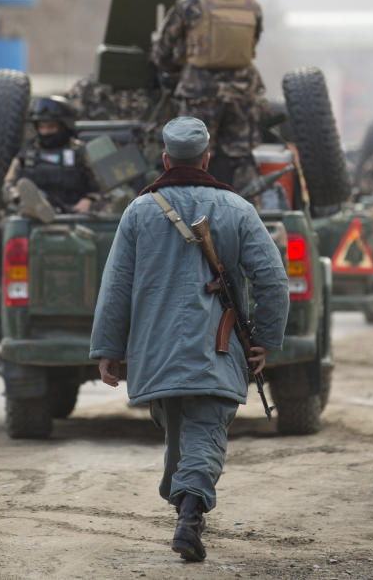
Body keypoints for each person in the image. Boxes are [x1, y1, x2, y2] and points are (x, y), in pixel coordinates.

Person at [90, 117, 289, 562]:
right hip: (218, 347)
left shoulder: (140, 210)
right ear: (207, 158)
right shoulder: (238, 209)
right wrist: (265, 338)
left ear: (164, 159)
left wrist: (108, 350)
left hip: (154, 352)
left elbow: (116, 285)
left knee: (185, 431)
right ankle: (190, 512)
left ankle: (186, 505)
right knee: (202, 432)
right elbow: (273, 280)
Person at [151, 0, 265, 192]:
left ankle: (187, 210)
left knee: (190, 157)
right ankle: (248, 212)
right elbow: (252, 46)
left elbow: (162, 51)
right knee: (240, 159)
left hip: (199, 94)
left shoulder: (190, 4)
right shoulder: (252, 6)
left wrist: (175, 66)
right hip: (242, 96)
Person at [2, 95, 100, 216]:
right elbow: (9, 185)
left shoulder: (82, 152)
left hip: (74, 214)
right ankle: (38, 208)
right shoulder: (27, 153)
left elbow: (101, 187)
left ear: (64, 126)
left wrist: (89, 200)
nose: (45, 132)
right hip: (35, 216)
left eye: (51, 127)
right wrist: (17, 196)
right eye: (42, 127)